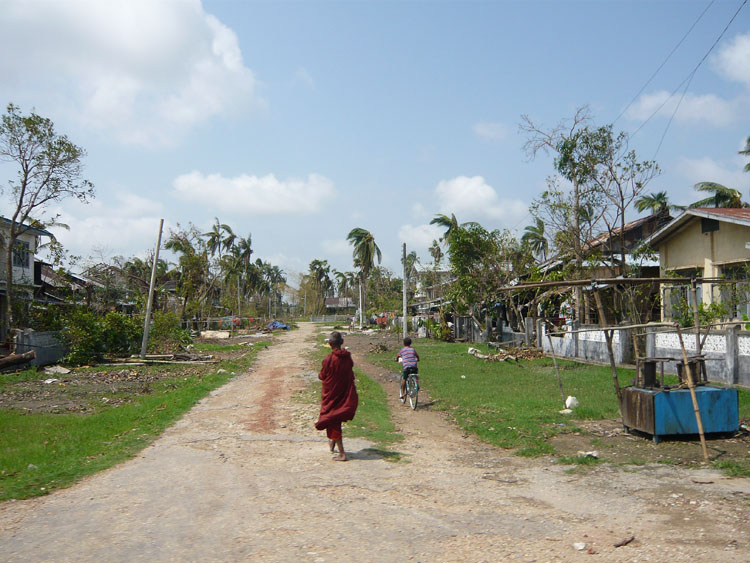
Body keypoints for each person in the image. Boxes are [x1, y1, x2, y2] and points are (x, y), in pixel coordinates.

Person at [315, 331, 359, 461]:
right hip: (343, 392)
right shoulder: (347, 357)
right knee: (335, 418)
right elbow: (348, 372)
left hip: (332, 394)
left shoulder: (328, 360)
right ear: (341, 343)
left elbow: (323, 375)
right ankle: (332, 444)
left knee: (333, 418)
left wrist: (321, 376)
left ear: (330, 343)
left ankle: (342, 453)